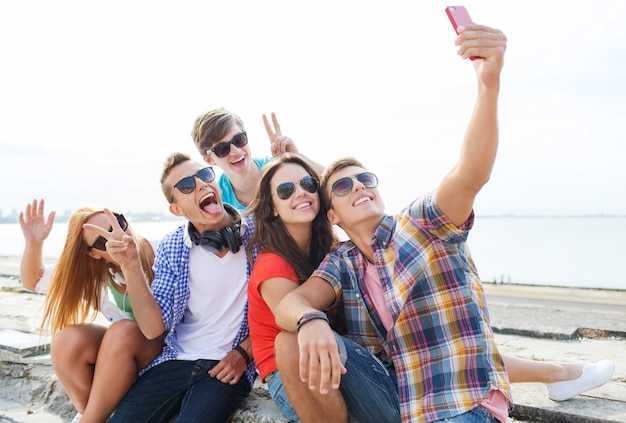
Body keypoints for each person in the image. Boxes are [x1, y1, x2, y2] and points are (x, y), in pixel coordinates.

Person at [272, 22, 512, 423]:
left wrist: (488, 85)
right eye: (345, 186)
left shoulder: (419, 224)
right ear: (332, 216)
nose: (359, 187)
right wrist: (310, 320)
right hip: (401, 405)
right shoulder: (343, 261)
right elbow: (291, 304)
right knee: (289, 340)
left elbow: (470, 173)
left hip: (461, 405)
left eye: (366, 179)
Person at [88, 152, 257, 422]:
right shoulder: (173, 247)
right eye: (187, 186)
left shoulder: (259, 235)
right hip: (175, 359)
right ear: (177, 210)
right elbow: (154, 328)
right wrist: (130, 263)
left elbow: (278, 305)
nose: (201, 185)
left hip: (228, 363)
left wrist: (244, 353)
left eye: (203, 175)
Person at [246, 154, 400, 422]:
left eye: (307, 184)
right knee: (291, 339)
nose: (300, 193)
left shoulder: (330, 252)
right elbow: (294, 321)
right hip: (292, 371)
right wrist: (309, 318)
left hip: (335, 355)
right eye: (285, 190)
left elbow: (342, 185)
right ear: (272, 207)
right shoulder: (273, 267)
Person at [18, 198, 165, 423]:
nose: (117, 236)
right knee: (68, 340)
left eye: (118, 223)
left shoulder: (160, 250)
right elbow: (32, 281)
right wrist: (34, 243)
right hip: (127, 348)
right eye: (101, 241)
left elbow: (155, 330)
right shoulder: (96, 272)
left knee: (122, 331)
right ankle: (99, 414)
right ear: (93, 254)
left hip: (168, 344)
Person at [191, 108, 322, 210]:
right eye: (222, 149)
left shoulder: (278, 168)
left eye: (239, 140)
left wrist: (298, 159)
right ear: (209, 160)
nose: (236, 151)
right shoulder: (219, 199)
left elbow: (334, 186)